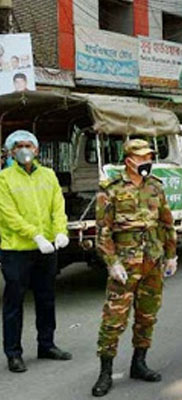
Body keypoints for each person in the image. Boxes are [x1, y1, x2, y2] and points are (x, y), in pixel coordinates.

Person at [91, 139, 178, 397]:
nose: (147, 162)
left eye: (149, 157)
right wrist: (112, 263)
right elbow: (103, 233)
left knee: (147, 316)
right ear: (129, 161)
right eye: (142, 158)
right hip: (125, 265)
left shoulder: (155, 187)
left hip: (152, 261)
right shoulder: (111, 190)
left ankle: (139, 363)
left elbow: (166, 223)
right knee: (113, 319)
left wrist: (171, 255)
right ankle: (105, 372)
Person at [0, 130, 72, 373]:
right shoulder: (4, 179)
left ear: (37, 149)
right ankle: (13, 353)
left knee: (46, 298)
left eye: (28, 145)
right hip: (16, 250)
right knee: (14, 302)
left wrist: (60, 231)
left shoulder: (48, 175)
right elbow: (8, 215)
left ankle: (47, 344)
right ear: (11, 151)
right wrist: (35, 235)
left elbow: (57, 207)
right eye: (18, 146)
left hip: (47, 249)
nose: (24, 150)